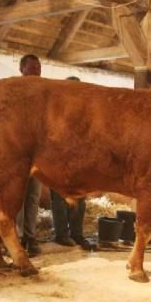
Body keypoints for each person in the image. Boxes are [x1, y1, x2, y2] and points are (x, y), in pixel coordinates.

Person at [50, 76, 87, 247]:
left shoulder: (85, 112)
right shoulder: (55, 111)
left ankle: (77, 233)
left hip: (80, 161)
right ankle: (61, 234)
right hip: (58, 160)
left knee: (80, 198)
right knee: (60, 199)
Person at [16, 54, 43, 257]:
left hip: (39, 154)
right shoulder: (14, 91)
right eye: (32, 68)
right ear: (22, 70)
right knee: (17, 197)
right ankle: (16, 237)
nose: (36, 71)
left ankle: (30, 236)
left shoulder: (44, 93)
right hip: (18, 153)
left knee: (33, 197)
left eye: (38, 68)